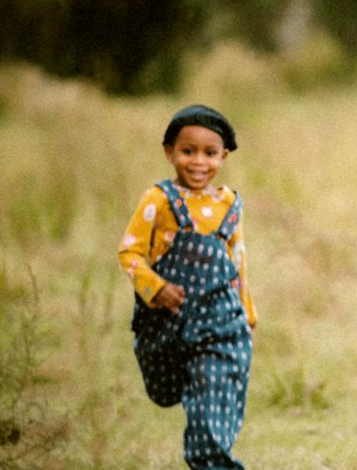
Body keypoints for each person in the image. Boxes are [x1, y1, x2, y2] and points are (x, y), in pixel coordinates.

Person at [118, 104, 257, 469]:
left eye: (210, 153)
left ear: (223, 156)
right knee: (165, 393)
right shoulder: (158, 201)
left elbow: (237, 262)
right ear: (169, 152)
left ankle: (212, 463)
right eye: (188, 151)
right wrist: (155, 287)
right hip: (168, 324)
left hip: (220, 324)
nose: (199, 162)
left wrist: (248, 313)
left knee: (209, 413)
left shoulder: (229, 205)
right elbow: (130, 252)